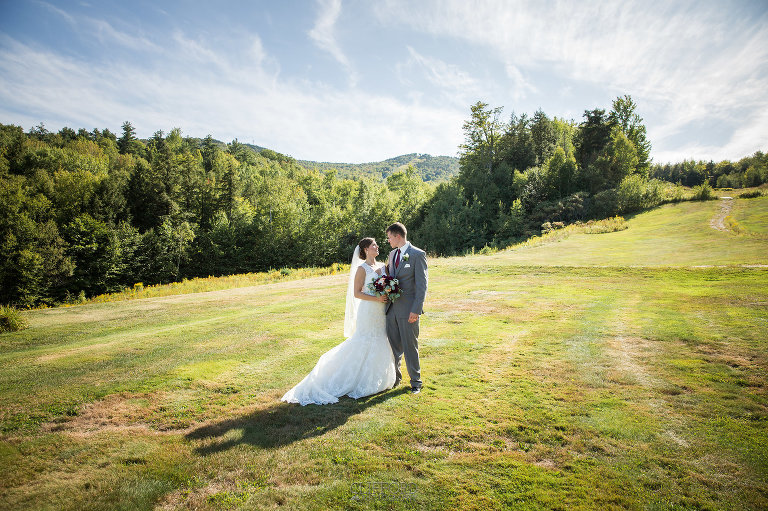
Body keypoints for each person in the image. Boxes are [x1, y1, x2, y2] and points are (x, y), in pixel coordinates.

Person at [281, 238, 396, 405]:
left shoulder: (383, 266)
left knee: (380, 339)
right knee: (363, 340)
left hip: (381, 311)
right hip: (369, 310)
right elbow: (357, 293)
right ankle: (345, 377)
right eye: (373, 245)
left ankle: (377, 378)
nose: (377, 247)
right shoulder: (361, 269)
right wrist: (376, 298)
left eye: (377, 245)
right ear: (365, 249)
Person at [385, 222, 428, 394]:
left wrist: (416, 310)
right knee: (393, 347)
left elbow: (422, 286)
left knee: (410, 347)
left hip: (409, 310)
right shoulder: (391, 254)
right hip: (391, 309)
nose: (388, 241)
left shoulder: (417, 255)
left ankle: (416, 382)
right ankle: (396, 378)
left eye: (389, 237)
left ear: (398, 236)